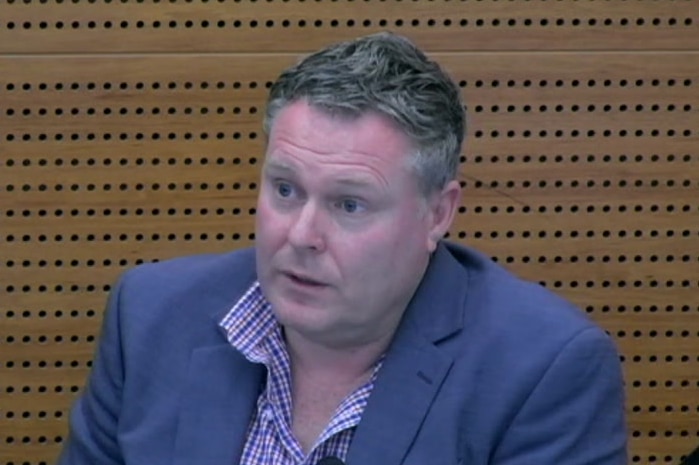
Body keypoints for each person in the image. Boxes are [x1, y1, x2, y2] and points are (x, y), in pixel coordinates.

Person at [57, 32, 627, 465]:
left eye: (349, 205)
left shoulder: (544, 370)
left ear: (438, 214)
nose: (301, 235)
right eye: (285, 190)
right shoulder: (151, 316)